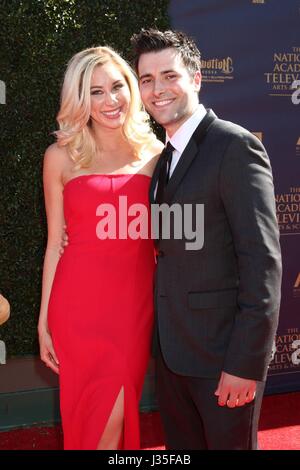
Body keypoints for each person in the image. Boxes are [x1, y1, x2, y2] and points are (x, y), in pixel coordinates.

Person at [129, 29, 282, 450]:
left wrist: (245, 364)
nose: (157, 89)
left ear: (196, 79)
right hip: (174, 356)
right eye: (146, 79)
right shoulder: (164, 160)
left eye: (169, 76)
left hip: (222, 360)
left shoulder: (234, 146)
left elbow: (262, 263)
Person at [38, 45, 163, 450]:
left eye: (117, 86)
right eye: (95, 92)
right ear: (79, 100)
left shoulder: (157, 155)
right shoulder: (60, 156)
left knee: (117, 410)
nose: (110, 100)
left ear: (131, 88)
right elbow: (56, 242)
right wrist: (43, 321)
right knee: (92, 420)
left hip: (131, 308)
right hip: (76, 307)